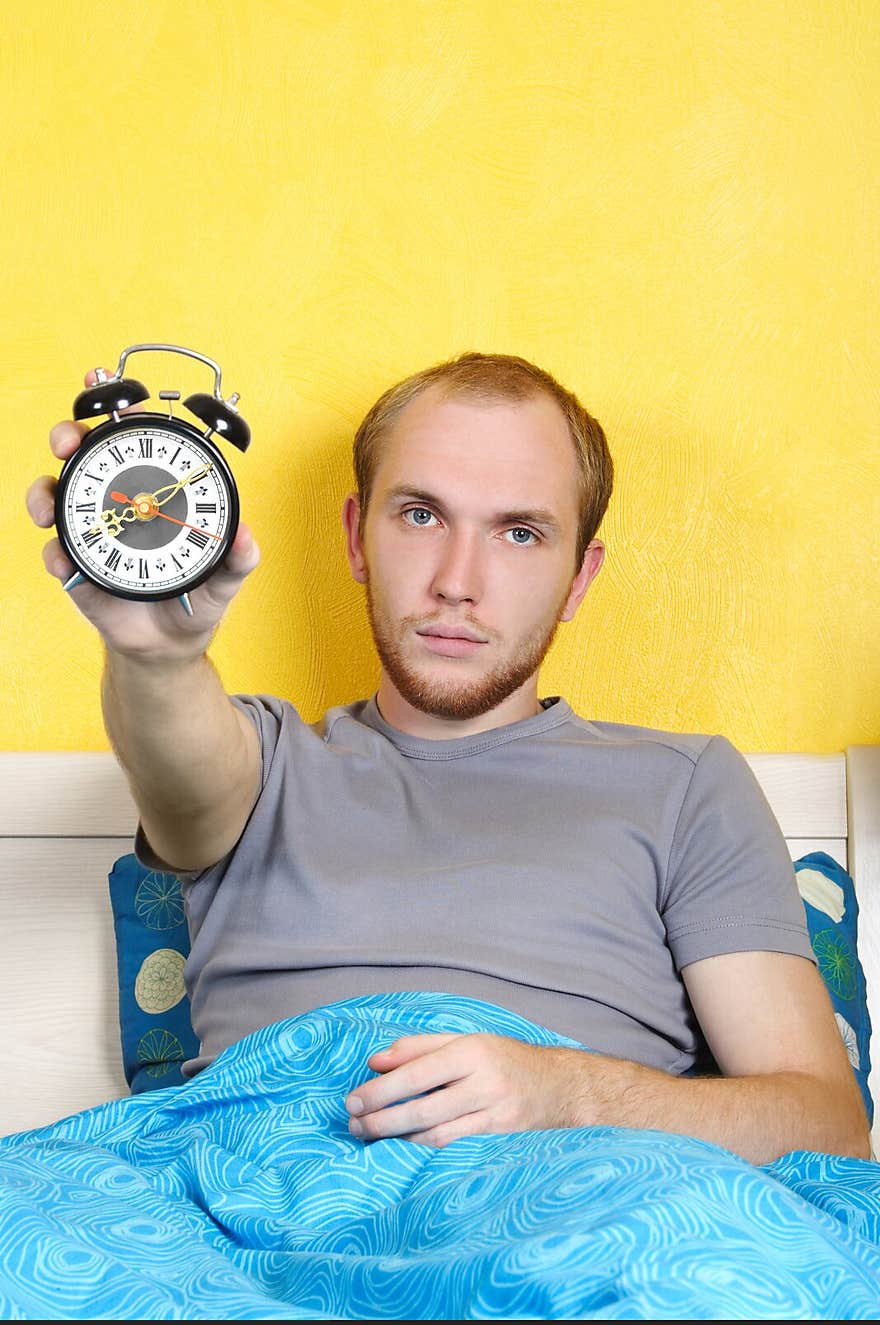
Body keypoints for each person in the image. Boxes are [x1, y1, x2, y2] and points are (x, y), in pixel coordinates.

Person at [27, 351, 870, 1166]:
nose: (457, 581)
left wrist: (569, 1093)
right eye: (421, 515)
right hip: (238, 1204)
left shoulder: (686, 787)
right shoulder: (266, 766)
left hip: (573, 1208)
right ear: (359, 537)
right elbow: (182, 769)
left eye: (520, 532)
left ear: (580, 578)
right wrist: (156, 657)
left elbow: (830, 1128)